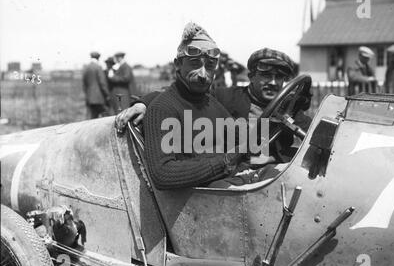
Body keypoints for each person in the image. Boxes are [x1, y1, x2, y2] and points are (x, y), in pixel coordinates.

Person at [116, 48, 312, 163]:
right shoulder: (226, 97)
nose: (273, 82)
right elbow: (176, 94)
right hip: (236, 176)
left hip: (276, 175)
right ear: (251, 76)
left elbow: (312, 131)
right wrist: (144, 103)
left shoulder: (289, 109)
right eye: (266, 75)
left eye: (279, 77)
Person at [141, 22, 247, 190]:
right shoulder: (163, 108)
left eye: (210, 66)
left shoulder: (211, 102)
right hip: (193, 204)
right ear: (178, 64)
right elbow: (162, 174)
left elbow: (242, 140)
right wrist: (224, 162)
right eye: (195, 63)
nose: (203, 75)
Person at [82, 52, 111, 119]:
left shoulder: (86, 67)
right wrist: (107, 95)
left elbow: (84, 84)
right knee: (107, 117)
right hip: (99, 98)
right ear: (98, 58)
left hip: (90, 98)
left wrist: (87, 94)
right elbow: (102, 83)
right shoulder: (98, 67)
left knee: (92, 118)